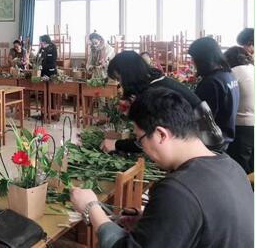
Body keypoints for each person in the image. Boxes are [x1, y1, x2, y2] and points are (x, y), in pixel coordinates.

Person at [71, 87, 254, 248]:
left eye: (140, 140)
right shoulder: (231, 166)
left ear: (161, 134)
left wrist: (91, 208)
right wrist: (154, 222)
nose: (143, 149)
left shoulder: (178, 190)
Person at [101, 51, 207, 154]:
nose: (120, 84)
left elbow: (149, 140)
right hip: (203, 141)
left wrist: (116, 144)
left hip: (202, 146)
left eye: (119, 79)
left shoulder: (153, 94)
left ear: (128, 76)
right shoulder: (159, 81)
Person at [189, 37, 239, 150]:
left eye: (194, 58)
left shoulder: (211, 82)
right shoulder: (228, 75)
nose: (193, 62)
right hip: (225, 137)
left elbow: (203, 118)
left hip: (211, 142)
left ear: (202, 59)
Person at [224, 46, 254, 173]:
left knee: (240, 164)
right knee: (251, 162)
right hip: (252, 123)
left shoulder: (233, 72)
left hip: (243, 124)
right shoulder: (252, 68)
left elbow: (224, 96)